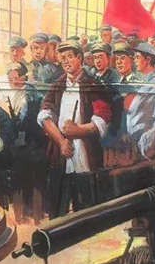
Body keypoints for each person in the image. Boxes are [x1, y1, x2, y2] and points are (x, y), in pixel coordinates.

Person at [37, 41, 114, 216]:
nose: (65, 61)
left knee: (86, 208)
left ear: (79, 58)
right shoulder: (58, 85)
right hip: (60, 154)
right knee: (57, 208)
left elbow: (102, 118)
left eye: (70, 57)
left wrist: (78, 131)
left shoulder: (93, 84)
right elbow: (44, 115)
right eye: (62, 57)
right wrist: (61, 141)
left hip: (85, 155)